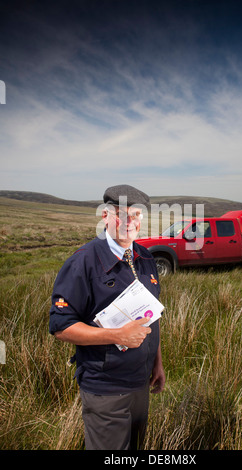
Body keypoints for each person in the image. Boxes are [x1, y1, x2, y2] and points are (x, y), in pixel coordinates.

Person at [49, 184, 165, 450]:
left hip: (140, 383)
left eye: (136, 215)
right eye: (122, 214)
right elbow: (61, 327)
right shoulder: (83, 262)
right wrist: (115, 335)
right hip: (106, 389)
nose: (130, 222)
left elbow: (150, 318)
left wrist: (157, 363)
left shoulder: (145, 258)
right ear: (105, 216)